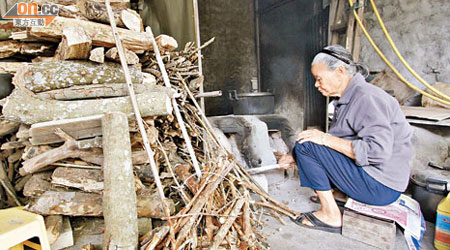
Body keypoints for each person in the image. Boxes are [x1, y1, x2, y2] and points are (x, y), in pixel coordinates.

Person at [279, 45, 413, 233]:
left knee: (307, 146)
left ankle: (330, 214)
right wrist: (293, 156)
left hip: (382, 186)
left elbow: (377, 151)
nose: (316, 85)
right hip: (379, 180)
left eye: (319, 79)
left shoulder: (367, 98)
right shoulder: (349, 99)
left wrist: (322, 139)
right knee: (309, 145)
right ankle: (339, 193)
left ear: (340, 72)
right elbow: (337, 141)